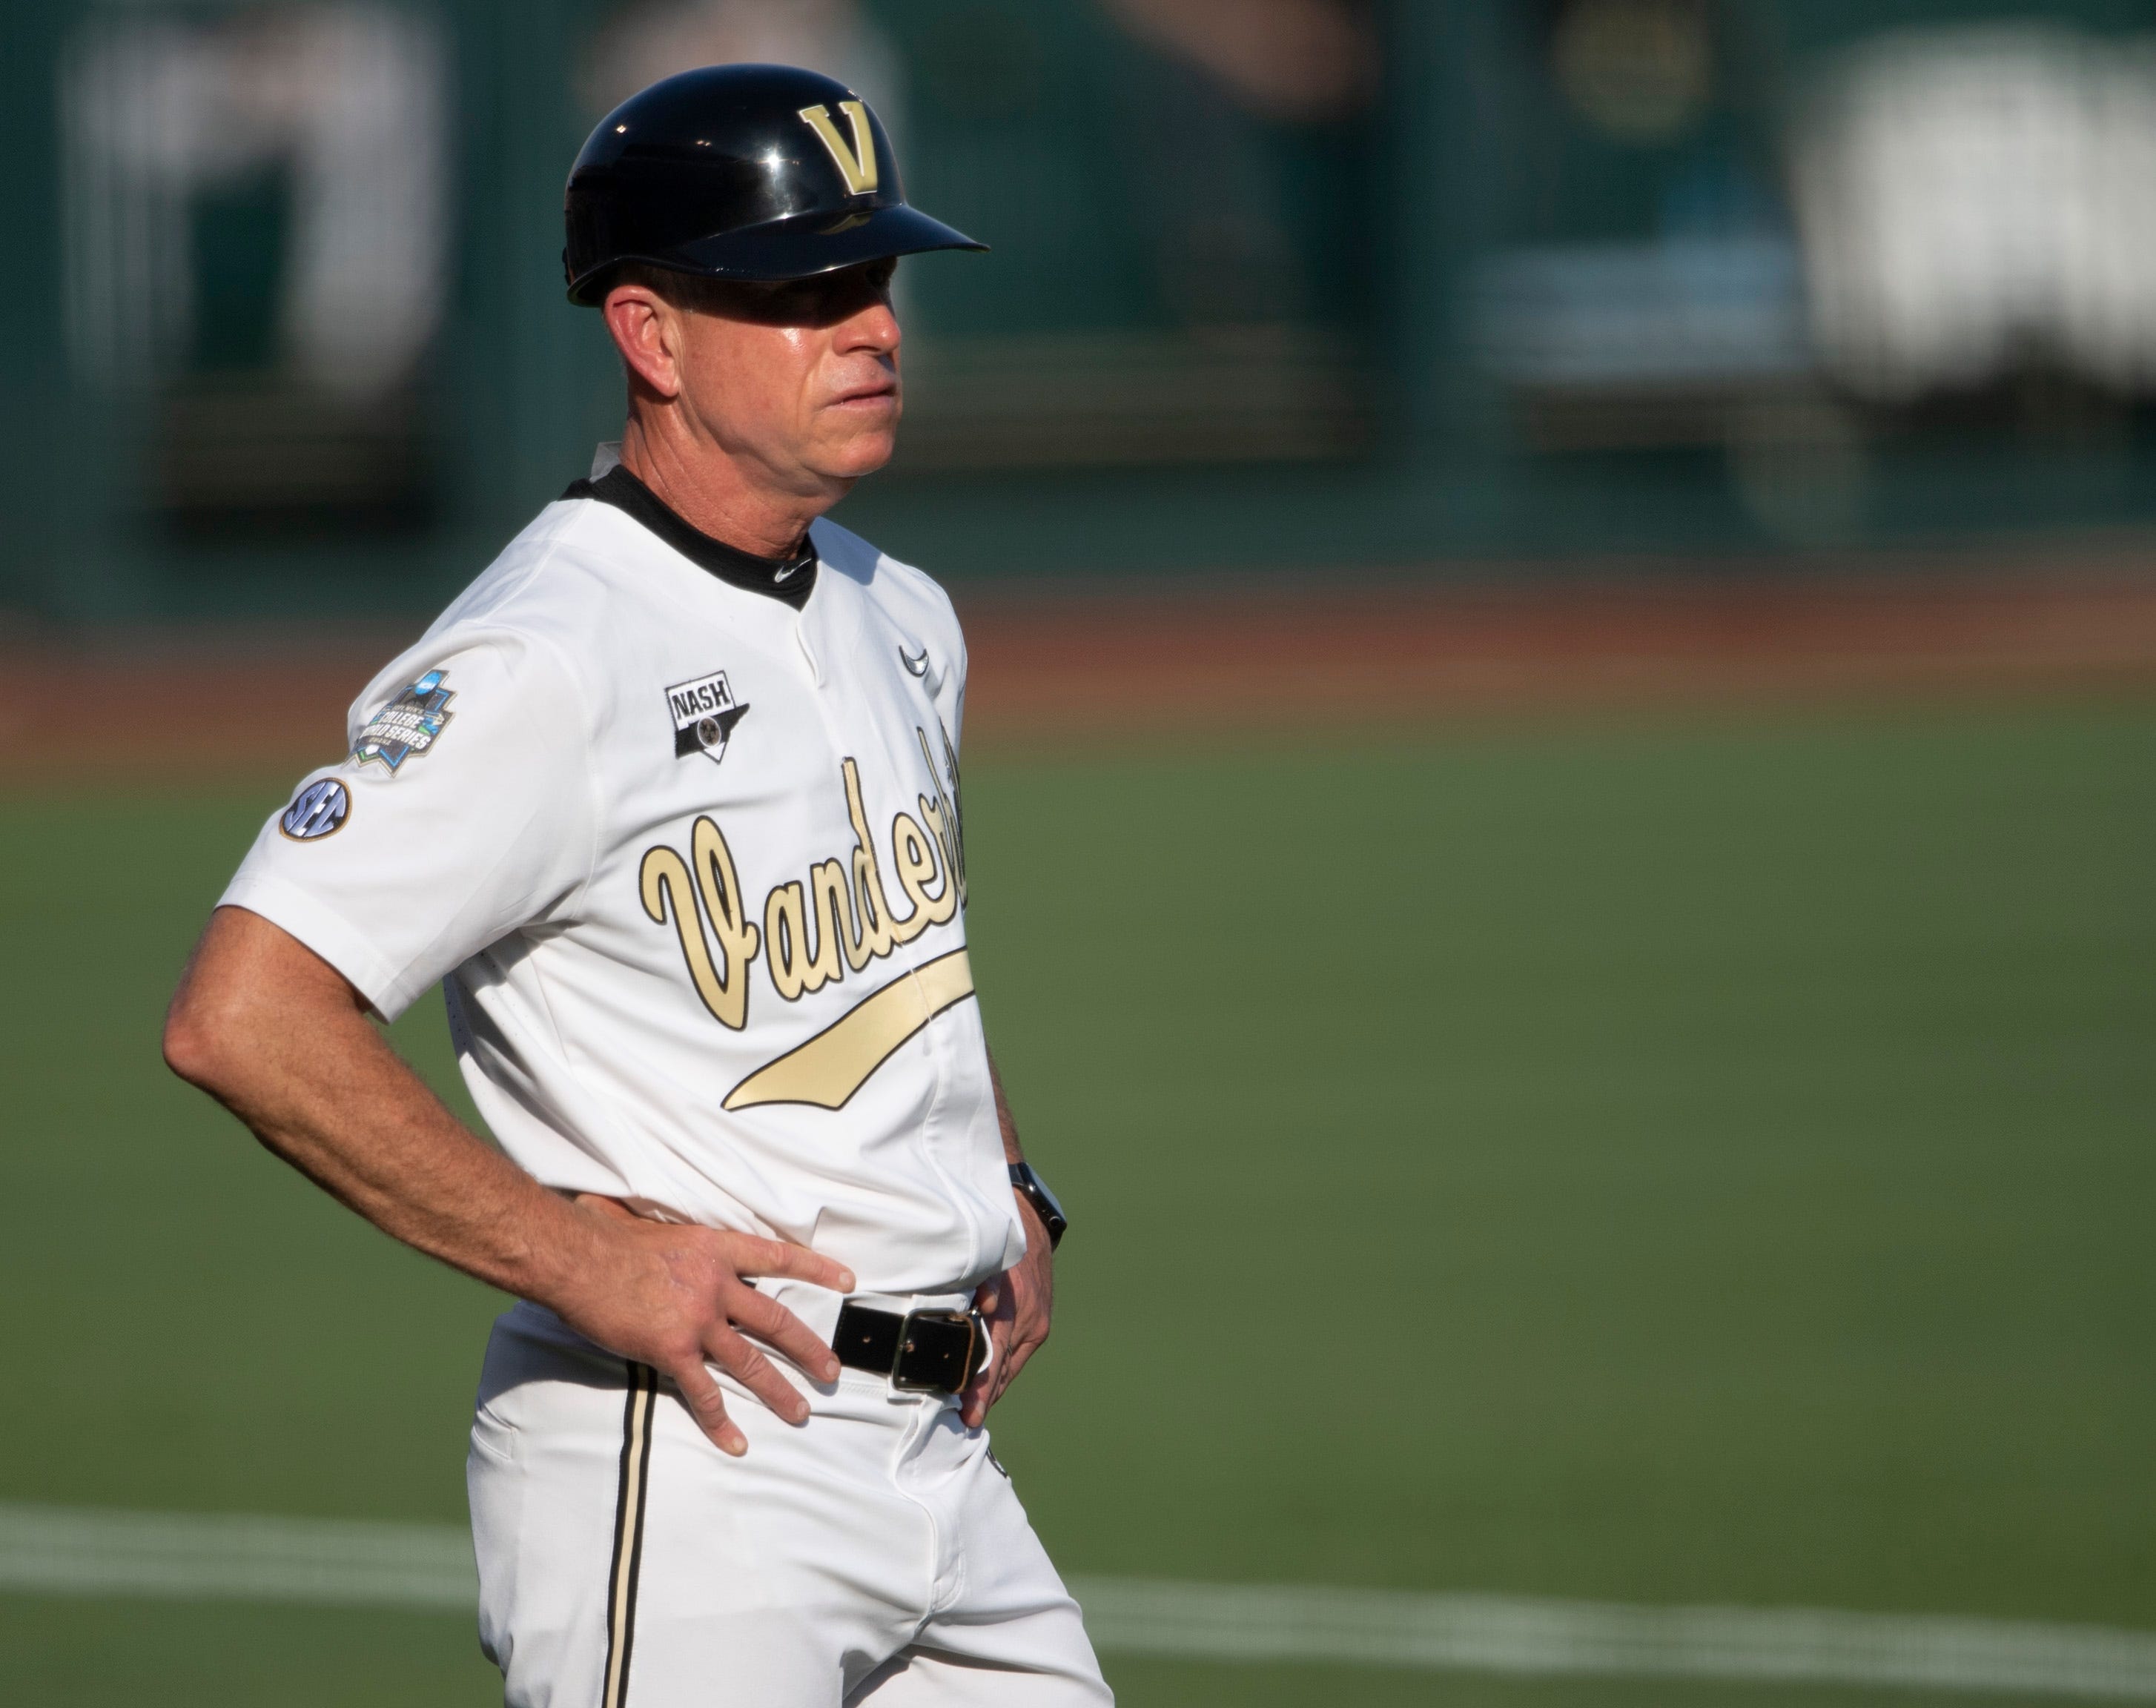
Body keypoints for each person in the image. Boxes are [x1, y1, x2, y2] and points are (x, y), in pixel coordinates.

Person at [162, 63, 1108, 1708]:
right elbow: (243, 1015)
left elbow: (901, 968)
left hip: (939, 1464)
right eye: (801, 290)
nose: (870, 326)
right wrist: (580, 1262)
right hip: (695, 1470)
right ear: (652, 338)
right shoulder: (544, 657)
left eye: (871, 278)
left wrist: (1004, 1182)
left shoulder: (904, 613)